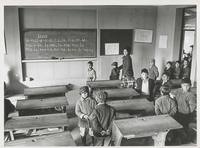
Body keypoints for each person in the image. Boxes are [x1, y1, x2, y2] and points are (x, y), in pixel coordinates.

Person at [170, 78, 196, 143]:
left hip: (185, 115)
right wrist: (172, 95)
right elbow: (171, 92)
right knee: (175, 127)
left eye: (187, 85)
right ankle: (175, 138)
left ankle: (184, 140)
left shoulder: (191, 95)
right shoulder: (179, 90)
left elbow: (192, 108)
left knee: (183, 128)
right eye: (184, 85)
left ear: (190, 86)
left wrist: (186, 111)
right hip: (177, 112)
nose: (186, 87)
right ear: (181, 85)